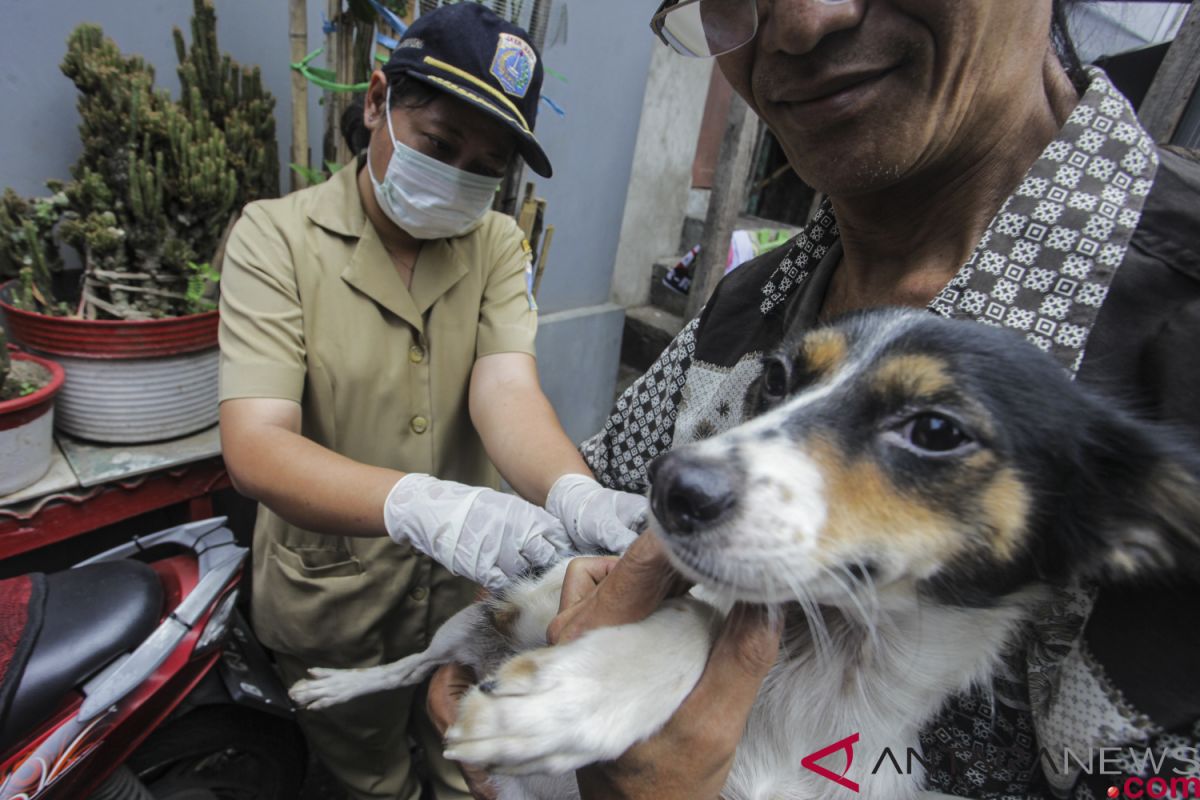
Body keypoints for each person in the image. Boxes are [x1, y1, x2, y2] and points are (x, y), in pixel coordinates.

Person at [429, 1, 1200, 798]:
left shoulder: (1179, 341)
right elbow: (587, 533)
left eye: (933, 431)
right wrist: (501, 653)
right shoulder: (749, 302)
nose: (802, 22)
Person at [217, 5, 647, 799]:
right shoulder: (275, 239)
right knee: (365, 772)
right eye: (439, 146)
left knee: (471, 764)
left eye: (485, 166)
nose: (460, 178)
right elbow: (257, 442)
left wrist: (572, 491)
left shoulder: (497, 245)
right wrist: (425, 504)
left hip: (469, 593)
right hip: (333, 600)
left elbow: (504, 390)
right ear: (378, 100)